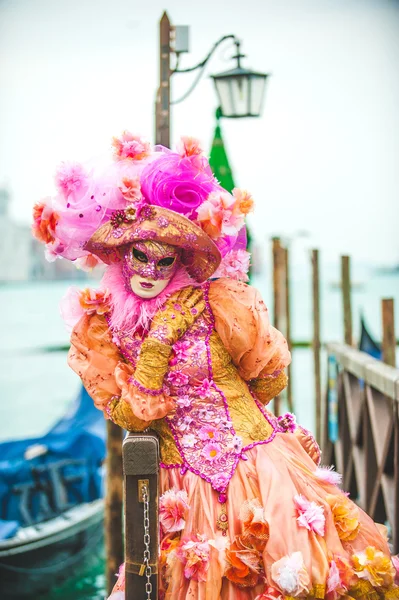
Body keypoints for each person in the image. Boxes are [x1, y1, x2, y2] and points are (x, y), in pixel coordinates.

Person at [33, 132, 399, 600]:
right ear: (121, 257)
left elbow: (270, 373)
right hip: (179, 486)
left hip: (258, 465)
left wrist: (239, 414)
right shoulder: (104, 328)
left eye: (163, 259)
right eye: (138, 255)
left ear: (181, 260)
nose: (149, 269)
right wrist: (159, 342)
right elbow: (123, 413)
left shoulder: (220, 302)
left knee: (296, 577)